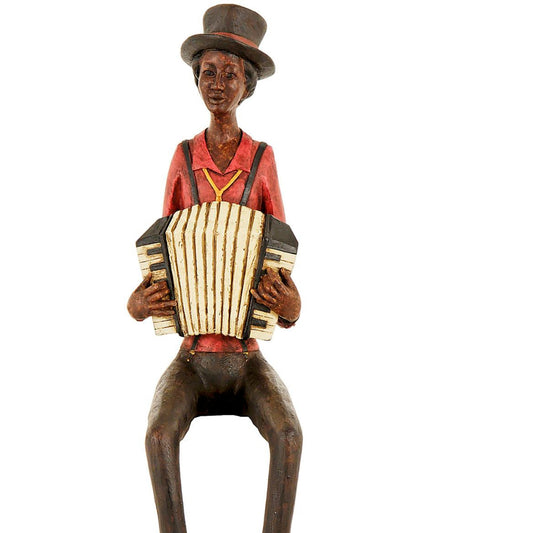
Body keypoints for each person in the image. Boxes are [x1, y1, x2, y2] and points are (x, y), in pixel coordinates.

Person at [127, 6, 302, 533]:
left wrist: (291, 306)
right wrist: (138, 303)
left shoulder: (262, 160)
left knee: (289, 435)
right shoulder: (183, 158)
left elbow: (281, 256)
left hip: (247, 357)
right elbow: (161, 252)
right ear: (196, 79)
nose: (218, 84)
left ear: (248, 86)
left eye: (230, 74)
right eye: (208, 72)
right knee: (158, 435)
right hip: (193, 356)